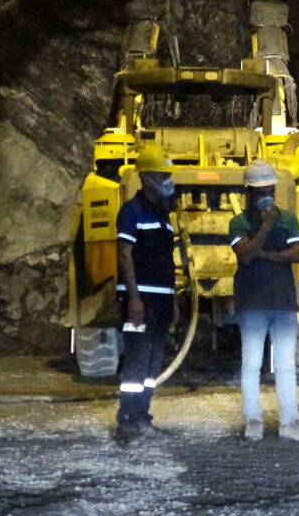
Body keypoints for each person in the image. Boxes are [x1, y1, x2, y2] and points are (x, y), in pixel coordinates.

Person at [229, 159, 299, 443]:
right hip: (252, 303)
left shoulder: (289, 218)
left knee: (286, 364)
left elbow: (298, 254)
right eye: (260, 191)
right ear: (249, 193)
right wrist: (266, 226)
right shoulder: (238, 222)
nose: (266, 195)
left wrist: (263, 254)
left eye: (270, 189)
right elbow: (244, 255)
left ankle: (289, 421)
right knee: (252, 363)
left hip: (282, 302)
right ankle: (253, 420)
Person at [114, 145, 180, 444]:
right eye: (162, 175)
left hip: (162, 300)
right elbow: (125, 254)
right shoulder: (131, 211)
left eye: (168, 174)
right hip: (140, 301)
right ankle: (126, 422)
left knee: (153, 364)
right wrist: (134, 299)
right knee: (137, 361)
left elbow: (167, 262)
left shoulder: (163, 214)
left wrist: (174, 300)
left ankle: (142, 416)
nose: (168, 180)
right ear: (146, 178)